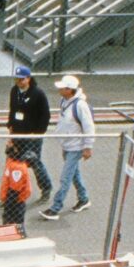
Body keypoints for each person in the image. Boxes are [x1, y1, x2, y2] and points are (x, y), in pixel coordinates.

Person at [44, 73, 94, 217]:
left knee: (65, 177)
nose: (59, 90)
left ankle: (55, 208)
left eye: (62, 88)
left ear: (70, 90)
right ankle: (84, 199)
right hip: (67, 145)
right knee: (74, 174)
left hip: (75, 147)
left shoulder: (80, 105)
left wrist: (87, 147)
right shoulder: (64, 101)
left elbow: (88, 127)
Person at [6, 67, 54, 200]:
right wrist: (10, 130)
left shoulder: (38, 93)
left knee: (34, 161)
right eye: (17, 79)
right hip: (17, 133)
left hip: (32, 135)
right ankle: (13, 192)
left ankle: (46, 188)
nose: (19, 82)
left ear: (28, 79)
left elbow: (45, 115)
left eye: (22, 79)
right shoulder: (14, 91)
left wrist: (38, 133)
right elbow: (12, 111)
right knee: (13, 162)